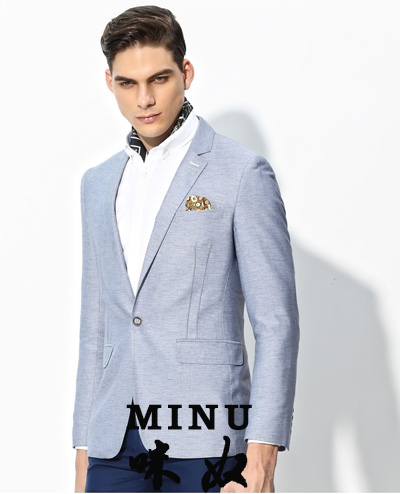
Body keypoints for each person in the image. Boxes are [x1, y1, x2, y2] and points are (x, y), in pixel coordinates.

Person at [72, 5, 300, 493]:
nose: (145, 99)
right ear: (110, 82)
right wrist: (83, 455)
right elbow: (96, 328)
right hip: (113, 445)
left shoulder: (242, 173)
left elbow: (276, 323)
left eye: (159, 78)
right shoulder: (98, 183)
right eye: (128, 83)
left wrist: (261, 460)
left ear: (186, 73)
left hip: (207, 439)